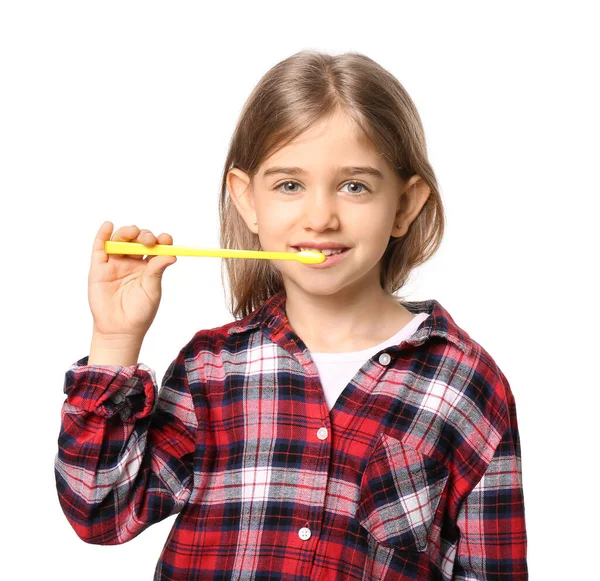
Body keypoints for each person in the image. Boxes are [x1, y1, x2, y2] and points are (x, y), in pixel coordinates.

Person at [54, 50, 528, 580]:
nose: (321, 217)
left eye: (355, 186)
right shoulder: (211, 369)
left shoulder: (465, 385)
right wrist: (115, 339)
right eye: (289, 185)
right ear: (248, 201)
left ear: (404, 205)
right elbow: (99, 511)